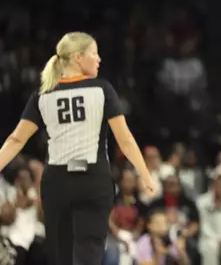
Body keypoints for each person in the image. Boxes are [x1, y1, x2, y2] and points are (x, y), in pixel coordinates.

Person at [0, 32, 157, 265]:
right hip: (93, 179)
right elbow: (124, 139)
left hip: (56, 182)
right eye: (94, 53)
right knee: (89, 254)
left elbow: (15, 140)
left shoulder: (42, 95)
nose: (99, 59)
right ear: (77, 57)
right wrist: (145, 174)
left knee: (62, 256)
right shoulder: (102, 90)